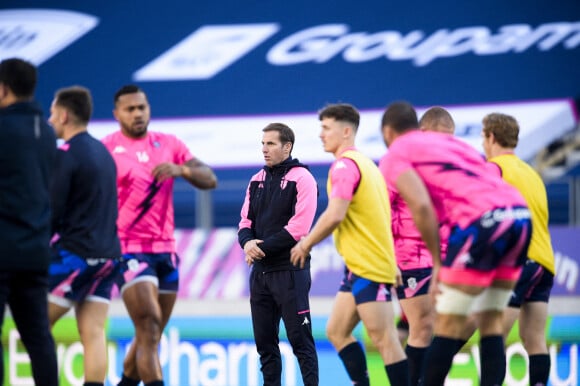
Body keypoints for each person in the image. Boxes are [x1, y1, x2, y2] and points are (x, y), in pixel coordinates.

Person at [380, 101, 532, 386]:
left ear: (388, 132)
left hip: (480, 222)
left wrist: (438, 263)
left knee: (447, 326)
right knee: (491, 323)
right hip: (519, 215)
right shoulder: (464, 149)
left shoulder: (397, 154)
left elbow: (422, 206)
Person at [102, 84, 218, 386]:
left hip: (165, 252)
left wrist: (184, 171)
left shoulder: (169, 144)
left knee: (148, 338)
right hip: (127, 249)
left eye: (142, 107)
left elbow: (210, 179)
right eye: (130, 109)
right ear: (116, 114)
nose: (137, 114)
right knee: (150, 327)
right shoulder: (106, 150)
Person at [290, 103, 409, 386]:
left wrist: (305, 244)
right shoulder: (367, 163)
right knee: (336, 331)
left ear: (345, 131)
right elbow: (380, 217)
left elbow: (335, 214)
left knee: (385, 340)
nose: (321, 134)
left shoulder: (344, 166)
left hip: (369, 267)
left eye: (326, 128)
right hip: (360, 266)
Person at [47, 86, 122, 386]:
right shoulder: (103, 151)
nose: (50, 120)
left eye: (53, 114)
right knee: (93, 333)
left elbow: (51, 209)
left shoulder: (65, 153)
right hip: (108, 256)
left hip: (74, 256)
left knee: (34, 327)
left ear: (64, 115)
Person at [238, 122, 319, 386]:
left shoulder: (303, 178)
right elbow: (244, 223)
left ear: (287, 146)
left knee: (301, 343)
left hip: (290, 271)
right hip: (260, 274)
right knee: (265, 346)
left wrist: (258, 248)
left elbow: (298, 228)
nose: (264, 149)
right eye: (262, 143)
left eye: (270, 143)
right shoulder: (256, 180)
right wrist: (248, 243)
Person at [380, 105, 456, 385]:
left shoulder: (448, 165)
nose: (444, 144)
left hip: (445, 257)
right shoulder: (396, 162)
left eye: (450, 138)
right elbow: (380, 213)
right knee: (421, 327)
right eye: (440, 136)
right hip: (410, 257)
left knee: (454, 326)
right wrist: (388, 260)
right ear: (421, 133)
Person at [480, 112, 555, 386]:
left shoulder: (493, 168)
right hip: (544, 261)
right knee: (534, 339)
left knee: (493, 334)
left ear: (491, 137)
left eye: (483, 137)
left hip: (518, 261)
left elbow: (482, 215)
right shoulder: (532, 172)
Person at [0, 57, 59, 386]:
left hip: (3, 248)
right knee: (38, 338)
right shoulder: (45, 131)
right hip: (35, 251)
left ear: (4, 88)